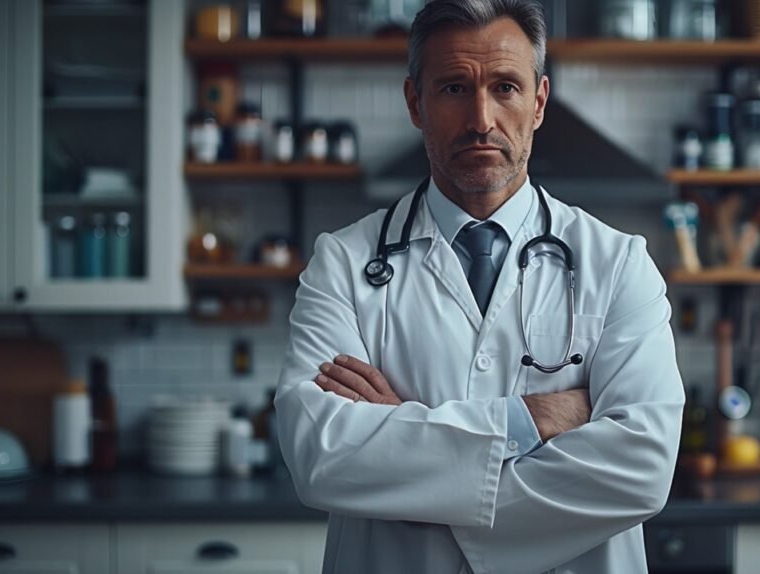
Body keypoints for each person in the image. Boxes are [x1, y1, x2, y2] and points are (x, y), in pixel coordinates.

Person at [274, 1, 685, 572]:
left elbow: (643, 468)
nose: (481, 119)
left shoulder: (619, 264)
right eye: (452, 89)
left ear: (539, 102)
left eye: (506, 87)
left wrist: (410, 467)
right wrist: (530, 419)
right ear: (415, 102)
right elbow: (319, 453)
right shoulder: (341, 263)